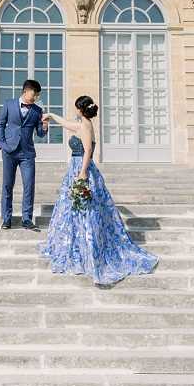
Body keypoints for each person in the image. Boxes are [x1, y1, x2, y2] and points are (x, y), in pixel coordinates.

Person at [39, 95, 159, 286]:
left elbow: (87, 151)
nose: (75, 110)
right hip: (76, 168)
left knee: (86, 211)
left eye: (76, 107)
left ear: (81, 109)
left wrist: (83, 173)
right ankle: (77, 246)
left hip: (82, 169)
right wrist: (51, 116)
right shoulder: (82, 124)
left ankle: (88, 250)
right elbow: (66, 124)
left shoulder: (85, 127)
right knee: (74, 210)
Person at [0, 78, 48, 230]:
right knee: (7, 185)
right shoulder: (9, 104)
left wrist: (44, 126)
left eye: (38, 95)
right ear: (26, 91)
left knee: (29, 186)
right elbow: (0, 124)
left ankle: (27, 219)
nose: (36, 97)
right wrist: (1, 144)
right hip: (9, 151)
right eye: (35, 94)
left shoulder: (38, 110)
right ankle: (6, 219)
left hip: (27, 153)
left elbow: (39, 134)